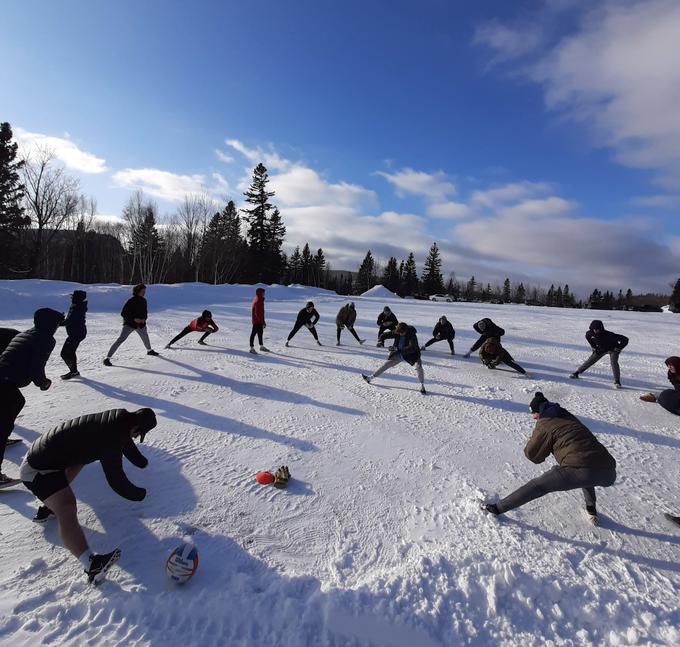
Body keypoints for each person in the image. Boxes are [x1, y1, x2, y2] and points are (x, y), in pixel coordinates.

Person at [20, 407, 157, 583]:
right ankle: (91, 564)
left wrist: (141, 462)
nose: (137, 437)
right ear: (136, 427)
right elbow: (116, 480)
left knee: (82, 457)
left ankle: (49, 506)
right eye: (139, 434)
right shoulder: (111, 437)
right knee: (67, 507)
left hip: (43, 455)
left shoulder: (118, 420)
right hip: (37, 470)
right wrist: (139, 494)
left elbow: (125, 441)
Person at [482, 392, 616, 524]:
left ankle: (497, 508)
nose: (533, 417)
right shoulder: (566, 415)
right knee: (585, 468)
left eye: (533, 413)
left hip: (582, 468)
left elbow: (533, 455)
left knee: (539, 486)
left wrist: (533, 442)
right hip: (609, 471)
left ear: (538, 412)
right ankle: (591, 509)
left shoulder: (544, 424)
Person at [0, 308, 64, 488]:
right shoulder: (45, 339)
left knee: (16, 402)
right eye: (57, 324)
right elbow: (37, 366)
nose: (58, 327)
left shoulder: (30, 333)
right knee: (7, 414)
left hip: (4, 379)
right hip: (4, 382)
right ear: (51, 324)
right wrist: (43, 383)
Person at [362, 322, 426, 394]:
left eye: (402, 333)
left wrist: (397, 349)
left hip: (412, 354)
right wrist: (380, 341)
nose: (400, 334)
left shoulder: (412, 334)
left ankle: (422, 386)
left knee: (419, 367)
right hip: (399, 353)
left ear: (406, 331)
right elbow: (384, 335)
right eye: (399, 333)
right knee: (386, 365)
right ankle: (370, 378)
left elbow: (412, 348)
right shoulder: (397, 332)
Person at [104, 284, 159, 366]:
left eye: (145, 291)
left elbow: (145, 312)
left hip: (141, 324)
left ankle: (149, 350)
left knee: (145, 337)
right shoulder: (131, 301)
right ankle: (107, 358)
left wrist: (144, 319)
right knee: (121, 339)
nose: (144, 293)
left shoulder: (144, 301)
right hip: (129, 324)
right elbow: (123, 313)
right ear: (137, 291)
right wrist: (134, 319)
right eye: (142, 291)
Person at [569, 320, 628, 388]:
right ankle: (576, 373)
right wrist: (594, 347)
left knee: (614, 363)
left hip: (613, 349)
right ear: (591, 328)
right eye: (594, 329)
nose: (596, 331)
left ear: (601, 328)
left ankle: (617, 381)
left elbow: (625, 339)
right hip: (601, 349)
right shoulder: (589, 333)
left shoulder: (609, 334)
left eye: (598, 329)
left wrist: (619, 348)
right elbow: (588, 338)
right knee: (590, 360)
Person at [60, 290, 88, 380]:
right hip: (77, 333)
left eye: (73, 297)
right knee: (70, 352)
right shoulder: (77, 305)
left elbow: (70, 320)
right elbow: (70, 319)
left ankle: (74, 371)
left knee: (65, 353)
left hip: (77, 333)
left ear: (77, 298)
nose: (71, 298)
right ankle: (74, 371)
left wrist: (58, 322)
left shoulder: (77, 307)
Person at [250, 287, 270, 354]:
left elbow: (261, 312)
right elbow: (257, 313)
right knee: (253, 334)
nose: (264, 294)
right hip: (257, 321)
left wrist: (262, 321)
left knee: (260, 334)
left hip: (259, 321)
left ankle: (261, 346)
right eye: (263, 293)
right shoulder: (258, 301)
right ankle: (251, 348)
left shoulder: (259, 299)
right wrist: (262, 322)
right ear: (260, 293)